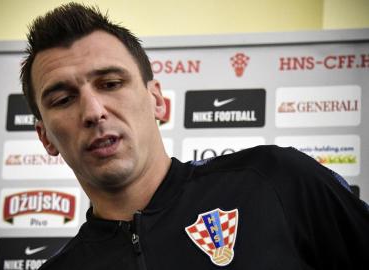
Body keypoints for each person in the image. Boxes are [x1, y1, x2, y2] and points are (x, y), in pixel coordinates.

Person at [20, 3, 369, 270]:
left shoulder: (276, 180)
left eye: (111, 84)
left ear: (156, 100)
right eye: (63, 99)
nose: (94, 111)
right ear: (45, 137)